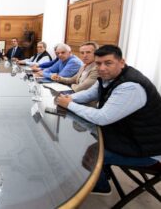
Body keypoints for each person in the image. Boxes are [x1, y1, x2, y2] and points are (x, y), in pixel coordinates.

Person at [56, 45, 161, 194]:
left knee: (89, 152)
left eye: (108, 63)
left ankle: (101, 186)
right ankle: (101, 173)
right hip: (130, 135)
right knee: (86, 139)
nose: (102, 68)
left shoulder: (130, 86)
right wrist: (66, 98)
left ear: (122, 62)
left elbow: (102, 118)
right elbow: (88, 94)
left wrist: (69, 105)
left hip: (148, 149)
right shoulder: (109, 77)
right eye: (98, 63)